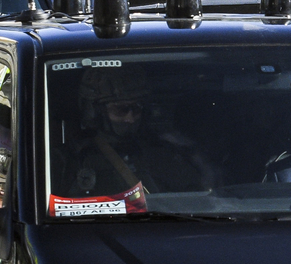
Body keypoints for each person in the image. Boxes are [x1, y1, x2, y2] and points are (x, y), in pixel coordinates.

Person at [59, 66, 213, 196]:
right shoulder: (71, 159)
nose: (130, 118)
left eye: (136, 108)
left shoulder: (164, 152)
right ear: (95, 112)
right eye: (121, 109)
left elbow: (198, 196)